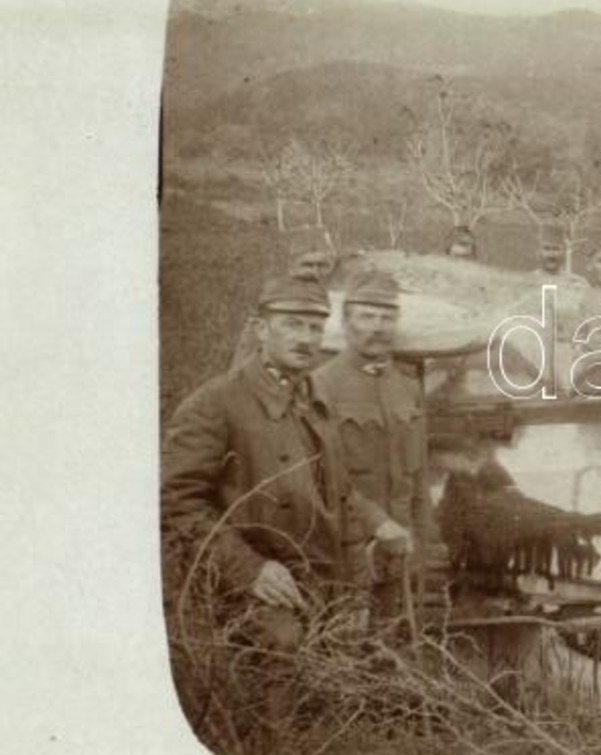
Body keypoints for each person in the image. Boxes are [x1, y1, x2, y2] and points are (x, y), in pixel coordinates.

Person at [162, 276, 409, 653]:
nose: (307, 339)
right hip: (253, 594)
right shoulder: (214, 404)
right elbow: (176, 502)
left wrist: (357, 589)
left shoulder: (315, 397)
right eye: (292, 325)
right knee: (281, 673)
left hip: (325, 588)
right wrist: (248, 569)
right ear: (262, 330)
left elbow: (340, 496)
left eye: (314, 328)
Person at [312, 272, 448, 625]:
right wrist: (378, 524)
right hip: (346, 551)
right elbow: (321, 474)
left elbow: (417, 476)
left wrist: (426, 543)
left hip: (399, 555)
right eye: (367, 316)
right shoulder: (320, 385)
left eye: (387, 317)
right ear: (345, 321)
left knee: (390, 652)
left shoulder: (407, 388)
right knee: (342, 653)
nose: (378, 327)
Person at [228, 228, 338, 370]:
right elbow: (241, 370)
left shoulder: (339, 305)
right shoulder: (273, 304)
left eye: (322, 266)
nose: (314, 272)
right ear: (291, 267)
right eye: (307, 265)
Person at [534, 220, 586, 288]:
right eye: (546, 249)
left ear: (564, 252)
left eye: (556, 249)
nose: (551, 255)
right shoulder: (527, 281)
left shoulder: (577, 283)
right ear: (538, 251)